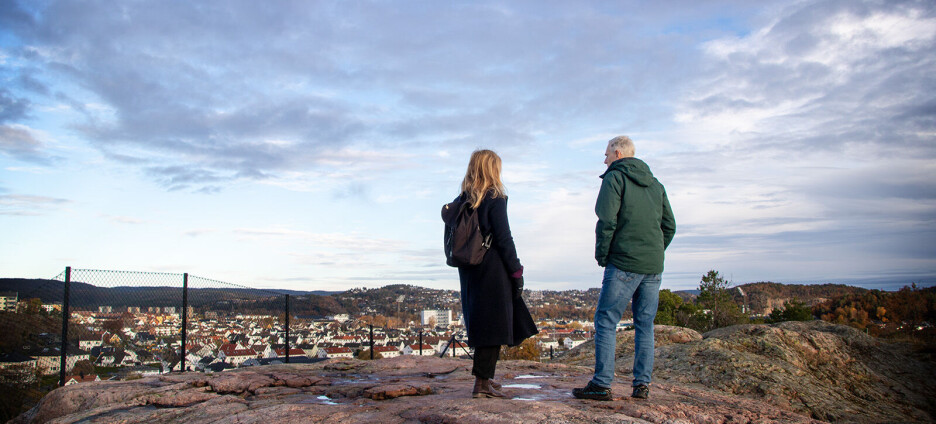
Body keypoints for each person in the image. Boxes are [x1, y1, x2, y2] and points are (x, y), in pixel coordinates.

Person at [573, 136, 676, 401]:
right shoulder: (656, 185)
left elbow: (607, 219)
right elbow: (669, 226)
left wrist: (603, 254)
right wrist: (654, 251)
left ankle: (602, 384)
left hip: (624, 262)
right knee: (645, 324)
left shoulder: (614, 178)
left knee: (606, 320)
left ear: (618, 153)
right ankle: (642, 385)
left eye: (606, 154)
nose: (604, 159)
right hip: (653, 266)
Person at [449, 149, 538, 399]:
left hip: (470, 269)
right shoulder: (494, 197)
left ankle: (485, 378)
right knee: (495, 325)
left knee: (486, 323)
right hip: (492, 268)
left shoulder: (463, 199)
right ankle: (482, 384)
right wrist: (516, 271)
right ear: (492, 169)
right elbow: (504, 238)